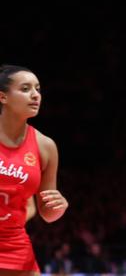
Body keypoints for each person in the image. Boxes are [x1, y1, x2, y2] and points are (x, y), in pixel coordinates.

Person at [0, 64, 69, 274]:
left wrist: (58, 207)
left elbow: (47, 213)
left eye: (37, 89)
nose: (35, 95)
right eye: (25, 89)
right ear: (2, 97)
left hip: (15, 245)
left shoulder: (45, 146)